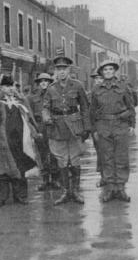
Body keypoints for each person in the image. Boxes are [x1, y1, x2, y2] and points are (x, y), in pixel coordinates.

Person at [0, 75, 40, 208]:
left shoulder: (21, 100)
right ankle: (2, 197)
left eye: (12, 86)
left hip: (19, 141)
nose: (10, 89)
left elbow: (29, 118)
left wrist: (34, 133)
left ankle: (21, 196)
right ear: (1, 87)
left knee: (20, 168)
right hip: (2, 141)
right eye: (6, 86)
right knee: (2, 170)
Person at [42, 56, 90, 205]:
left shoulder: (77, 86)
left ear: (69, 70)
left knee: (75, 158)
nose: (61, 72)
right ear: (55, 71)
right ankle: (65, 192)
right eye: (58, 69)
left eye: (64, 69)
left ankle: (75, 191)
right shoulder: (51, 89)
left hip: (74, 126)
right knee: (62, 160)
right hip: (57, 127)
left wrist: (86, 127)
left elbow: (85, 108)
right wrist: (46, 117)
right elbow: (45, 107)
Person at [90, 60, 136, 203]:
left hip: (120, 125)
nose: (108, 72)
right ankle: (110, 189)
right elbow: (92, 112)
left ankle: (120, 189)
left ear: (115, 71)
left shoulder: (123, 87)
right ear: (102, 73)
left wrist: (132, 124)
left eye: (111, 69)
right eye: (105, 70)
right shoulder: (96, 89)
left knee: (121, 157)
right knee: (107, 158)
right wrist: (94, 130)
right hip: (103, 126)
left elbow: (131, 107)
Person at [28, 73, 59, 191]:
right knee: (42, 154)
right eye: (41, 81)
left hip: (52, 126)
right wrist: (34, 131)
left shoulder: (54, 95)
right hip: (39, 126)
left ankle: (55, 179)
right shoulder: (32, 98)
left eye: (46, 81)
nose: (44, 83)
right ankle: (45, 180)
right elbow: (29, 116)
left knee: (54, 153)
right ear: (38, 83)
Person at [89, 69, 105, 187]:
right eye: (96, 79)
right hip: (96, 128)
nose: (98, 81)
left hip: (110, 127)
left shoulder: (109, 92)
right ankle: (103, 177)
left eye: (100, 78)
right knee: (100, 153)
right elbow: (89, 113)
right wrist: (93, 130)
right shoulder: (91, 94)